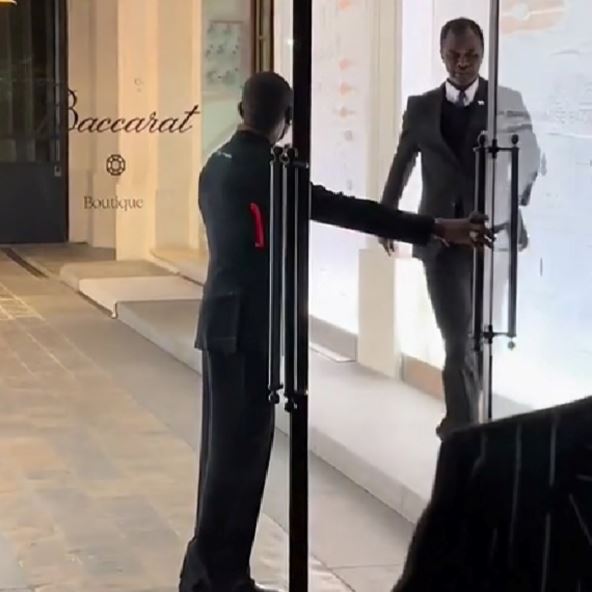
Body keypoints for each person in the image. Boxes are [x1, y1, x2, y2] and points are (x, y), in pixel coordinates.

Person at [179, 71, 490, 592]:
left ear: (241, 111)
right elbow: (344, 210)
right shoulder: (270, 172)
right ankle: (218, 580)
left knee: (222, 458)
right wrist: (436, 226)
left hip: (220, 324)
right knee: (240, 461)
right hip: (250, 331)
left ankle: (211, 574)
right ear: (287, 119)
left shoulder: (217, 164)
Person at [380, 18, 540, 439]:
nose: (463, 63)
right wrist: (386, 217)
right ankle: (463, 429)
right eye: (454, 55)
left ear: (483, 55)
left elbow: (530, 158)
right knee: (457, 339)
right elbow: (402, 162)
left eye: (472, 55)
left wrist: (513, 203)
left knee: (480, 338)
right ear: (442, 53)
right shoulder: (420, 107)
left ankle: (468, 424)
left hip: (493, 238)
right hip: (440, 239)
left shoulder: (506, 101)